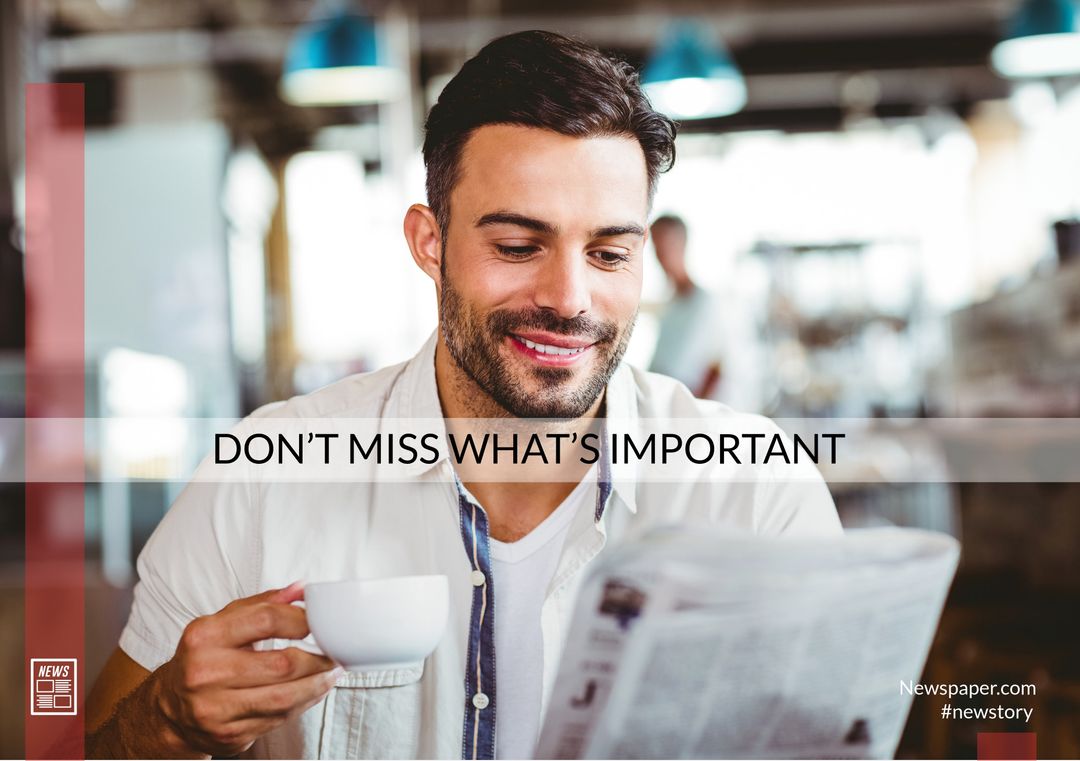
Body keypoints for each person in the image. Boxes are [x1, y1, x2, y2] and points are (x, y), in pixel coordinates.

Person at [85, 30, 840, 760]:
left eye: (609, 253)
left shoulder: (753, 491)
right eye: (517, 246)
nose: (569, 298)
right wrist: (164, 725)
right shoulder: (266, 476)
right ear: (430, 243)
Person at [647, 215, 724, 399]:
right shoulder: (670, 302)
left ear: (682, 245)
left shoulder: (707, 303)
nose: (661, 256)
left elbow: (717, 368)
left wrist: (691, 414)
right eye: (657, 248)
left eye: (666, 246)